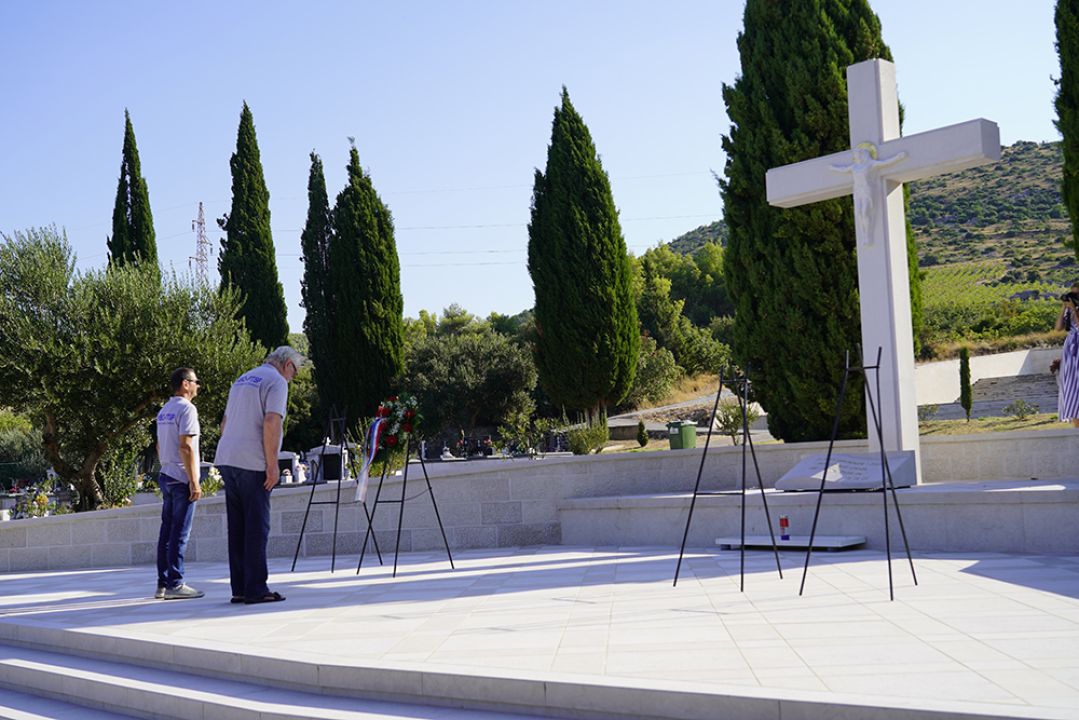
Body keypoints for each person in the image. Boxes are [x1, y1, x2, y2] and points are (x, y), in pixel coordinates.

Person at [215, 346, 301, 604]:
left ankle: (239, 588)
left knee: (238, 528)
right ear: (287, 364)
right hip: (252, 462)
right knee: (257, 527)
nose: (293, 378)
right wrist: (272, 464)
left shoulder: (242, 379)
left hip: (228, 458)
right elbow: (272, 421)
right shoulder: (276, 381)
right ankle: (256, 589)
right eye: (295, 372)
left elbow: (224, 423)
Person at [155, 367, 204, 600]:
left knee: (166, 532)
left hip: (165, 473)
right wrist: (194, 481)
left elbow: (158, 445)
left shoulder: (164, 410)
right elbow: (185, 446)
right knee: (179, 533)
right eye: (195, 382)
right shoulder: (187, 409)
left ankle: (163, 584)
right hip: (181, 477)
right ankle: (176, 583)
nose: (198, 386)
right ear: (185, 384)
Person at [1057, 290, 1079, 428]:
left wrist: (1074, 309)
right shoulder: (1070, 312)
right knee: (1072, 389)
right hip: (1070, 352)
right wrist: (1064, 308)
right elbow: (1059, 327)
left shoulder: (1075, 312)